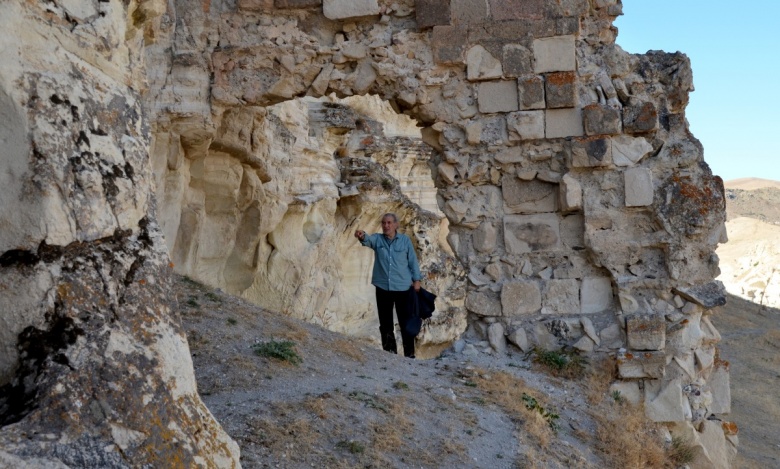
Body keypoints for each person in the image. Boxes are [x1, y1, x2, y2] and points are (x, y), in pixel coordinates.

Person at [355, 213, 422, 358]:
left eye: (389, 223)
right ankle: (389, 354)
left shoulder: (405, 241)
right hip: (383, 288)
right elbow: (368, 239)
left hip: (403, 288)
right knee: (385, 324)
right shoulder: (378, 239)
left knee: (406, 324)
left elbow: (412, 261)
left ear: (396, 224)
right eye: (384, 223)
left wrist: (417, 280)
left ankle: (409, 356)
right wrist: (361, 235)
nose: (386, 226)